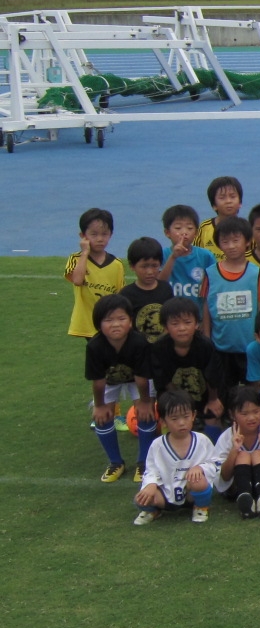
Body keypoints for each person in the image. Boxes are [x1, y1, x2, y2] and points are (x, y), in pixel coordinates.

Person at [84, 294, 153, 483]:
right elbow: (98, 382)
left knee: (147, 413)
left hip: (137, 380)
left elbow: (141, 378)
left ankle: (144, 462)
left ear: (130, 322)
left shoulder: (139, 342)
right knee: (102, 416)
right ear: (99, 324)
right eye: (109, 320)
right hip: (109, 381)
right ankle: (115, 462)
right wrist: (99, 406)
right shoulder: (95, 346)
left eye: (121, 319)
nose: (116, 324)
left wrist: (145, 402)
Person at [200, 215, 260, 399]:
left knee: (253, 391)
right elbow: (206, 306)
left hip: (249, 346)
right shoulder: (210, 273)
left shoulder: (256, 273)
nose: (231, 246)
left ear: (247, 242)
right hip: (221, 347)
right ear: (218, 244)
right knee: (224, 393)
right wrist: (207, 337)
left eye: (236, 240)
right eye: (225, 241)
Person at [132, 390, 218, 526]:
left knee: (199, 481)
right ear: (163, 421)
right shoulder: (157, 445)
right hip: (166, 493)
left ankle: (200, 507)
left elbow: (215, 464)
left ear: (193, 416)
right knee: (141, 499)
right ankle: (154, 511)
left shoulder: (202, 441)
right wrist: (150, 485)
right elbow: (151, 470)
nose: (181, 423)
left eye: (185, 416)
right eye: (174, 419)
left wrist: (200, 468)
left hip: (191, 493)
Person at [145, 296, 224, 431]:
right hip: (173, 396)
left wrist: (213, 400)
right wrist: (182, 406)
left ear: (196, 324)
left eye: (187, 322)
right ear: (165, 327)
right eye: (175, 324)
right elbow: (163, 381)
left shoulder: (205, 346)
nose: (182, 328)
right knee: (174, 420)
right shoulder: (159, 348)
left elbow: (213, 377)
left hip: (204, 395)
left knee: (213, 416)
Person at [213, 386, 260, 518]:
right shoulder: (227, 437)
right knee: (243, 455)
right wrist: (235, 450)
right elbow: (224, 476)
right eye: (244, 414)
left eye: (256, 411)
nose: (251, 418)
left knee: (258, 453)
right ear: (232, 414)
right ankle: (245, 498)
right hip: (235, 487)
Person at [66, 207, 124, 339]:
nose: (100, 239)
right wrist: (85, 253)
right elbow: (77, 280)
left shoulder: (117, 264)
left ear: (111, 235)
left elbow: (120, 294)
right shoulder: (76, 259)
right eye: (94, 234)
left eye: (104, 234)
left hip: (110, 323)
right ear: (83, 236)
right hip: (88, 323)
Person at [157, 203, 215, 303]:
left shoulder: (205, 256)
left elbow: (214, 287)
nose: (184, 232)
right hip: (169, 315)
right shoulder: (161, 255)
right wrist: (173, 257)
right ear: (167, 233)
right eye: (178, 228)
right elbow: (158, 285)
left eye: (190, 228)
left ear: (196, 233)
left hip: (198, 315)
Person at [121, 236, 173, 341]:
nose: (150, 272)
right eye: (144, 266)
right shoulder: (126, 294)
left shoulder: (166, 289)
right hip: (138, 351)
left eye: (154, 266)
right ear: (132, 266)